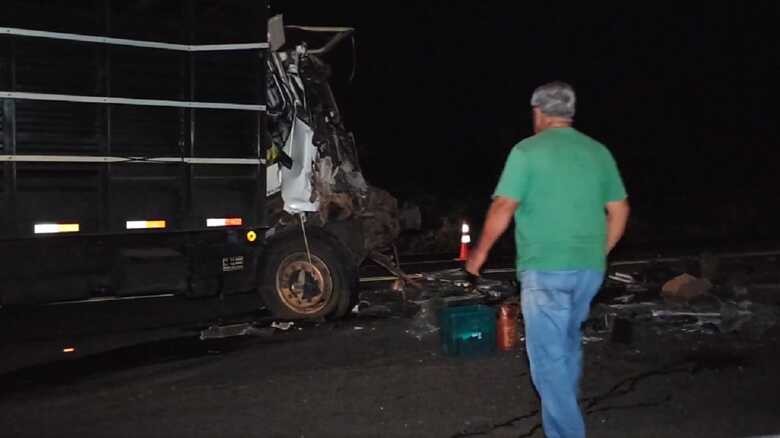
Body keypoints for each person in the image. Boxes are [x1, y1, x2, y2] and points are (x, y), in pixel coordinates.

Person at [466, 81, 630, 438]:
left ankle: (567, 433)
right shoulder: (597, 152)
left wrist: (479, 252)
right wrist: (599, 251)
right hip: (588, 271)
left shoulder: (527, 152)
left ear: (538, 112)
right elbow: (619, 210)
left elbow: (504, 205)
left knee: (548, 361)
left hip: (546, 270)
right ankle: (566, 412)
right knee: (567, 345)